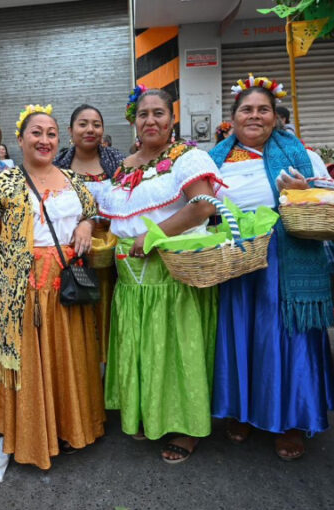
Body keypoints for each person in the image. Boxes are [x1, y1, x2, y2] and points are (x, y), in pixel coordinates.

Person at [208, 76, 334, 461]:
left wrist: (303, 193)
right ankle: (243, 411)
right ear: (233, 117)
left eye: (263, 109)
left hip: (286, 258)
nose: (254, 116)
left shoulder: (302, 155)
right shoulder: (214, 159)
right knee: (242, 336)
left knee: (287, 337)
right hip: (237, 258)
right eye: (246, 109)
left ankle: (292, 420)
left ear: (275, 117)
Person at [98, 88, 222, 464]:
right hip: (130, 280)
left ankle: (186, 428)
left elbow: (202, 207)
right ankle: (146, 413)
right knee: (142, 348)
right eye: (143, 114)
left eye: (158, 113)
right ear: (134, 121)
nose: (150, 120)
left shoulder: (187, 157)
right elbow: (112, 214)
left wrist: (155, 236)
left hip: (170, 277)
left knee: (176, 350)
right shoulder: (124, 166)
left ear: (172, 119)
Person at [0, 105, 105, 470]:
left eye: (51, 133)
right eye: (36, 132)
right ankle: (34, 434)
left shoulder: (73, 180)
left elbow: (91, 215)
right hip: (24, 288)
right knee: (32, 362)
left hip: (66, 284)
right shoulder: (2, 182)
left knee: (68, 355)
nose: (44, 140)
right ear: (20, 140)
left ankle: (68, 428)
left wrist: (85, 225)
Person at [53, 104, 125, 360]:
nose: (90, 129)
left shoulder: (118, 161)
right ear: (70, 130)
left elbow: (128, 201)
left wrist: (92, 221)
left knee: (109, 312)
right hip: (72, 253)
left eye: (96, 124)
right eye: (83, 124)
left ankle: (110, 369)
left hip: (112, 252)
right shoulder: (57, 165)